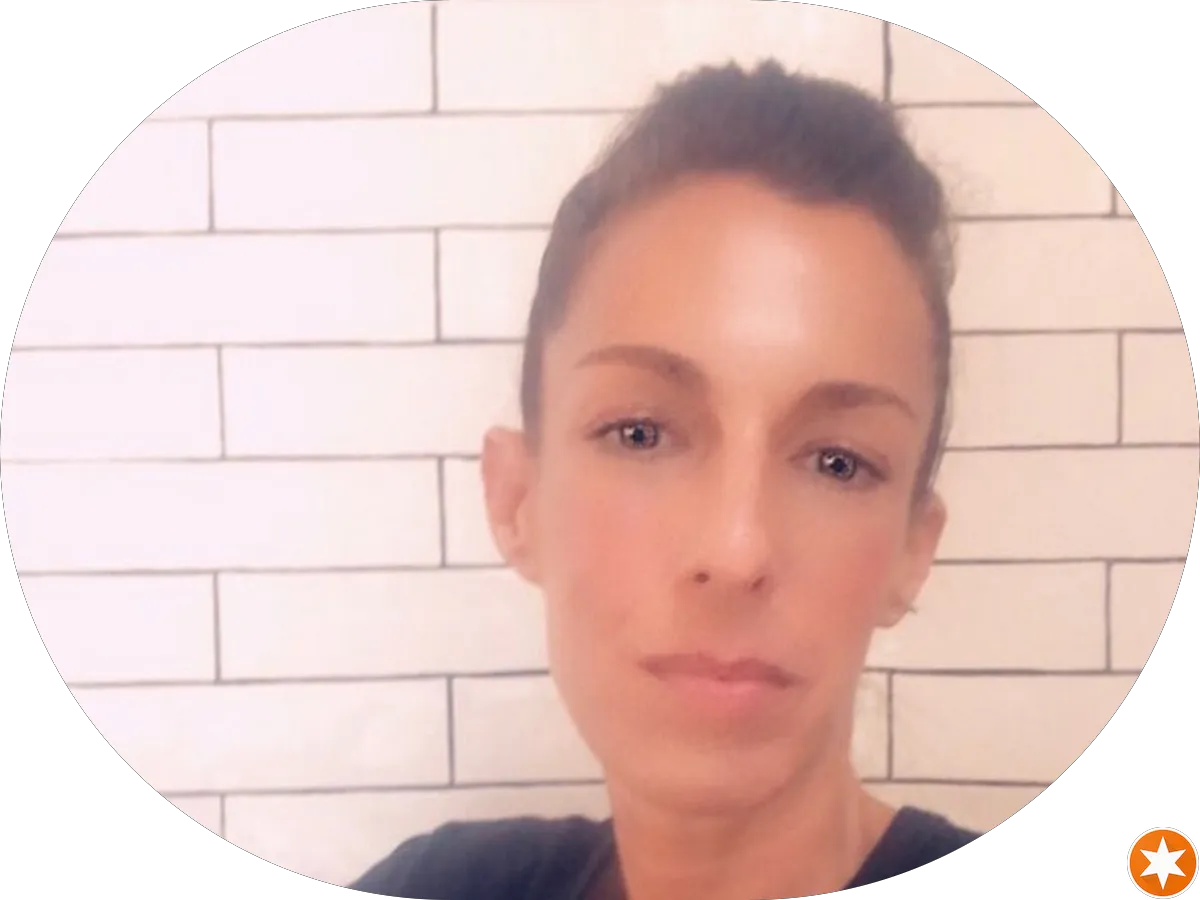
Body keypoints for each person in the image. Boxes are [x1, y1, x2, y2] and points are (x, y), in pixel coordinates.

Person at [351, 59, 979, 899]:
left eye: (838, 462)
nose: (736, 550)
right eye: (640, 434)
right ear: (517, 500)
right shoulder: (441, 884)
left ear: (911, 551)